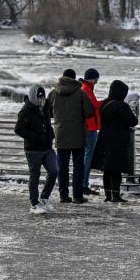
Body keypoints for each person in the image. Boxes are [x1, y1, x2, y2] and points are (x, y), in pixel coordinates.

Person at [47, 68, 95, 204]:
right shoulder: (80, 93)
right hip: (78, 135)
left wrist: (58, 117)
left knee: (62, 167)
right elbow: (90, 112)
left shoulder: (53, 93)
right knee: (78, 167)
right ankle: (77, 196)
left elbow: (47, 111)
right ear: (74, 78)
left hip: (60, 135)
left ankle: (63, 196)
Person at [14, 84, 59, 215]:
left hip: (47, 148)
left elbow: (48, 124)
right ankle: (34, 204)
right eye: (39, 97)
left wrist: (51, 135)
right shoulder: (25, 110)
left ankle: (44, 198)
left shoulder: (44, 107)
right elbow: (18, 129)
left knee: (54, 171)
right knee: (35, 176)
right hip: (33, 149)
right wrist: (34, 136)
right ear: (33, 96)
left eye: (42, 97)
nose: (41, 100)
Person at [91, 79, 137, 203]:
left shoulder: (104, 103)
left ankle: (108, 195)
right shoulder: (122, 105)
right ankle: (116, 196)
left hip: (104, 138)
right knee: (116, 169)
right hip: (118, 140)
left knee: (107, 168)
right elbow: (133, 121)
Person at [80, 67, 102, 198]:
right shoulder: (86, 90)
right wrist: (107, 101)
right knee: (87, 158)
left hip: (90, 127)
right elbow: (93, 107)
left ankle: (84, 184)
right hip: (90, 128)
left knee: (86, 157)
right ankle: (84, 185)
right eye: (96, 79)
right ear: (92, 79)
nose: (97, 81)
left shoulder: (86, 89)